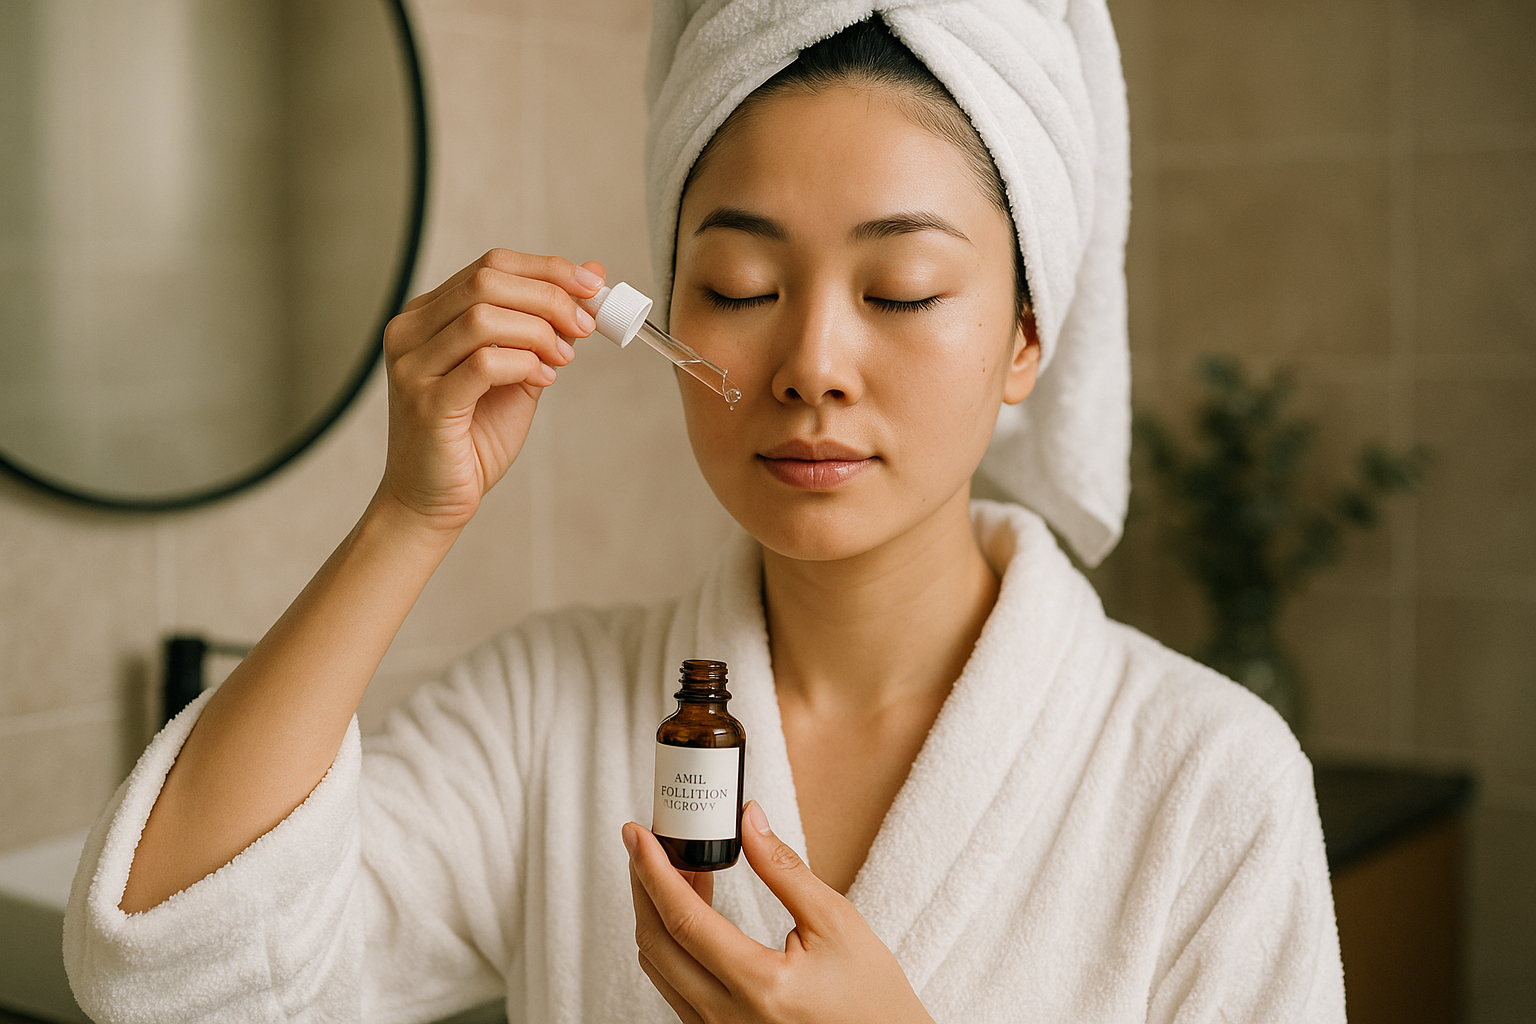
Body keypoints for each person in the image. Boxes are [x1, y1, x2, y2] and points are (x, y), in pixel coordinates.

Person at [65, 7, 1346, 1024]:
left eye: (902, 289)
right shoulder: (546, 716)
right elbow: (168, 970)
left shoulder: (1209, 781)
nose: (812, 365)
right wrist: (408, 514)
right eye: (738, 284)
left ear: (1025, 337)